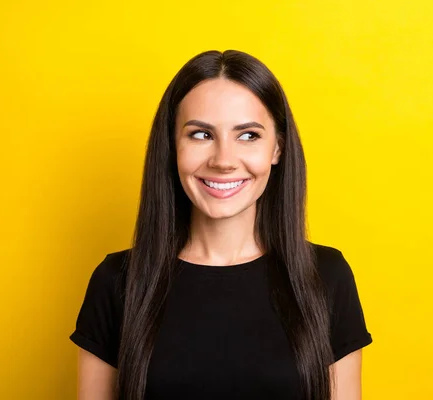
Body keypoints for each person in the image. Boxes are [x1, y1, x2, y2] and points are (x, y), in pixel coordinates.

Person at [69, 49, 373, 400]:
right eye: (201, 134)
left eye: (248, 135)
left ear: (278, 149)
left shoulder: (327, 276)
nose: (224, 161)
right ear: (172, 146)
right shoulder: (117, 281)